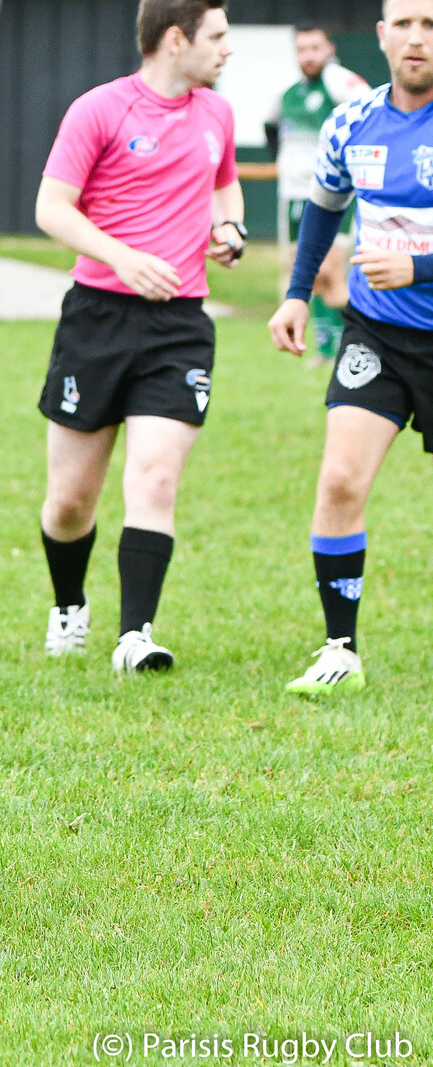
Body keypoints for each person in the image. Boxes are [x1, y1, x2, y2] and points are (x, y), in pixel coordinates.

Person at [33, 0, 243, 671]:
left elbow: (225, 186)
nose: (227, 49)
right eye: (217, 36)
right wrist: (121, 256)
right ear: (175, 39)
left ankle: (135, 635)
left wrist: (229, 228)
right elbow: (50, 208)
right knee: (70, 502)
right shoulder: (100, 109)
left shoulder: (218, 113)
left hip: (180, 325)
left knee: (154, 480)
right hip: (97, 317)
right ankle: (69, 603)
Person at [267, 0, 433, 695]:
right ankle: (341, 648)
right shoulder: (351, 121)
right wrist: (299, 292)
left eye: (431, 24)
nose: (418, 38)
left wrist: (422, 267)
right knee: (339, 481)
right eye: (406, 24)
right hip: (378, 333)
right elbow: (326, 210)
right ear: (381, 36)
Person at [266, 24, 373, 366]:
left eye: (315, 48)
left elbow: (370, 110)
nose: (308, 56)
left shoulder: (338, 81)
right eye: (302, 49)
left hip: (332, 194)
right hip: (294, 193)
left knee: (330, 269)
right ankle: (329, 349)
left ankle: (367, 335)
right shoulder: (287, 91)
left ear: (329, 49)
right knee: (306, 272)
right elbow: (270, 127)